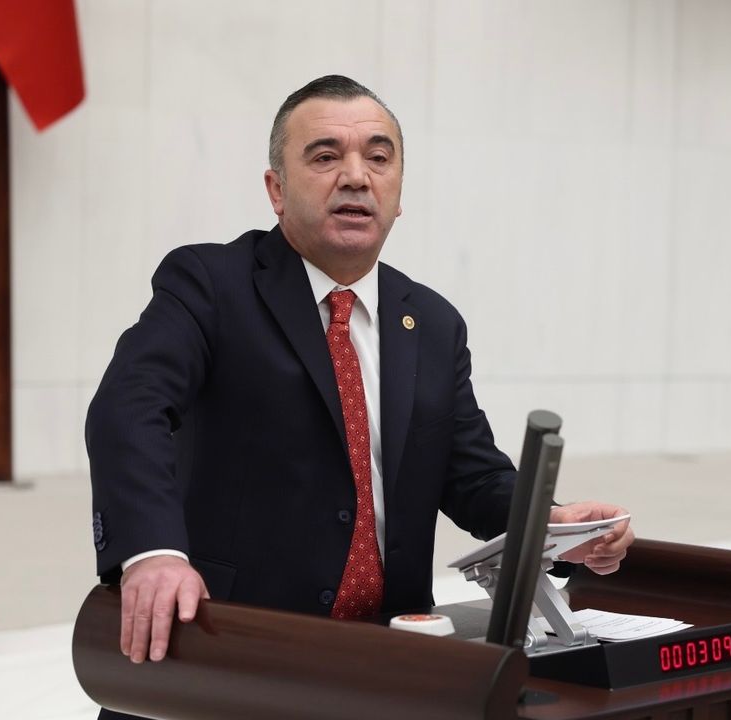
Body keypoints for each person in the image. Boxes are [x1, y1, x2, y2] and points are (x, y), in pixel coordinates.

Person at [86, 75, 633, 716]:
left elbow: (473, 476)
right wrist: (152, 554)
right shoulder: (211, 285)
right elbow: (129, 408)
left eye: (378, 157)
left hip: (386, 665)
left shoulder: (433, 323)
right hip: (233, 653)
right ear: (276, 189)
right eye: (325, 157)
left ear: (398, 192)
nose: (356, 176)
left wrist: (553, 526)